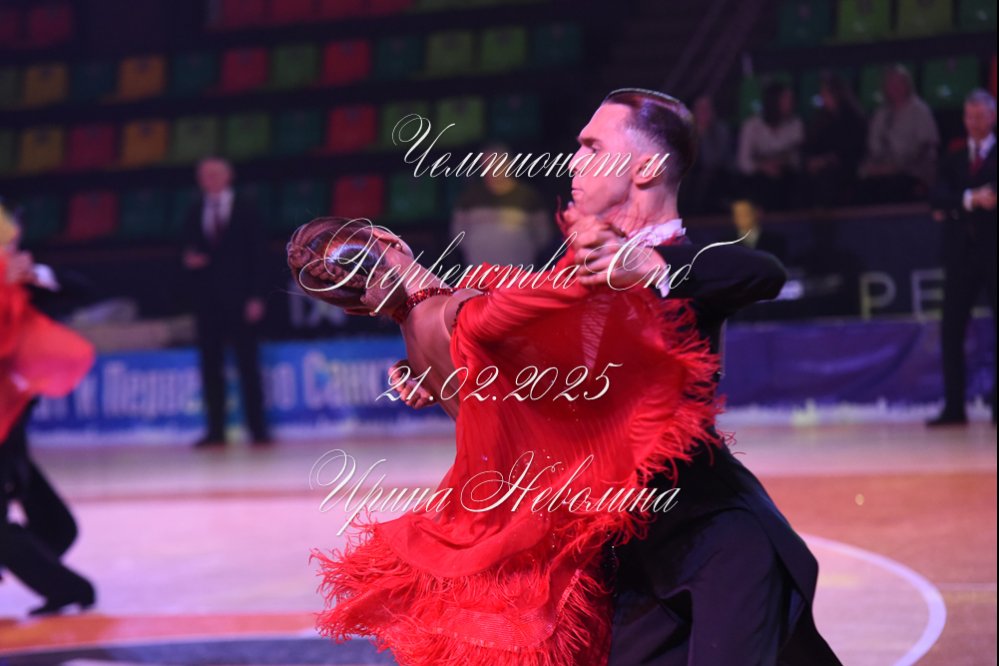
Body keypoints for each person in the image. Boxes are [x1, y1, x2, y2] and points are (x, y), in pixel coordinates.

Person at [288, 217, 721, 665]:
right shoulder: (461, 313)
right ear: (387, 237)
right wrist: (617, 254)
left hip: (498, 515)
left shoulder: (419, 327)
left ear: (357, 308)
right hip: (552, 510)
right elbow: (569, 297)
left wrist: (414, 371)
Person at [563, 88, 840, 664]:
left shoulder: (688, 270)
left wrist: (655, 267)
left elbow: (762, 272)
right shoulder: (575, 277)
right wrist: (434, 363)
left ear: (646, 167)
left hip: (719, 546)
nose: (573, 161)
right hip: (634, 561)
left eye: (593, 147)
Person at [0, 204, 96, 616]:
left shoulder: (19, 280)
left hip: (10, 421)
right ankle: (65, 575)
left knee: (45, 520)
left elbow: (82, 290)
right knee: (28, 515)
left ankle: (64, 583)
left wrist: (32, 274)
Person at [182, 157, 271, 448]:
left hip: (242, 298)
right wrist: (190, 260)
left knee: (248, 364)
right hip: (207, 301)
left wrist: (257, 296)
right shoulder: (195, 209)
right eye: (204, 175)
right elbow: (187, 248)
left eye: (214, 174)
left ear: (228, 176)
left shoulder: (247, 207)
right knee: (210, 365)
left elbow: (259, 255)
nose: (209, 179)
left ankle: (258, 430)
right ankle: (215, 431)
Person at [928, 89, 997, 427]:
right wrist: (971, 199)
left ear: (992, 117)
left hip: (994, 255)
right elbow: (937, 200)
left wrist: (956, 205)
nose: (974, 123)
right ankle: (954, 407)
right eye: (969, 117)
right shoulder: (954, 159)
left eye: (980, 116)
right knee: (951, 330)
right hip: (960, 256)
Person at [449, 143, 553, 266]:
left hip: (519, 270)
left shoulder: (528, 196)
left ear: (509, 164)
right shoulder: (469, 196)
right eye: (486, 164)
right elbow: (457, 232)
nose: (491, 168)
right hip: (479, 271)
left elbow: (543, 235)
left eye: (496, 163)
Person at [858, 65, 939, 203]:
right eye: (890, 84)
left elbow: (926, 145)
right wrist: (877, 166)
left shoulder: (919, 110)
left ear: (907, 85)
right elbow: (873, 146)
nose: (894, 88)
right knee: (864, 186)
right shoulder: (881, 113)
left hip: (912, 170)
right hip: (883, 168)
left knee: (893, 187)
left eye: (898, 83)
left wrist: (898, 167)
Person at [803, 72, 867, 207]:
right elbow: (812, 145)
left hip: (844, 168)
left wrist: (825, 161)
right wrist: (811, 161)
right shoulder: (821, 119)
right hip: (821, 166)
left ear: (836, 94)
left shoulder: (853, 118)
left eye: (824, 93)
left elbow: (850, 152)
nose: (822, 97)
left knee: (827, 179)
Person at [737, 81, 804, 210]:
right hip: (758, 178)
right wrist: (763, 166)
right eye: (786, 100)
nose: (791, 103)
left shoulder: (796, 124)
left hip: (786, 176)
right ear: (774, 102)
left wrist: (778, 163)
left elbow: (796, 159)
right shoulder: (751, 126)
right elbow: (743, 162)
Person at [681, 95, 733, 214]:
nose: (705, 112)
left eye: (707, 108)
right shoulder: (684, 131)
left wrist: (703, 135)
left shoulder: (721, 131)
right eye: (700, 108)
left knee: (707, 179)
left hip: (717, 177)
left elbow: (714, 161)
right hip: (689, 180)